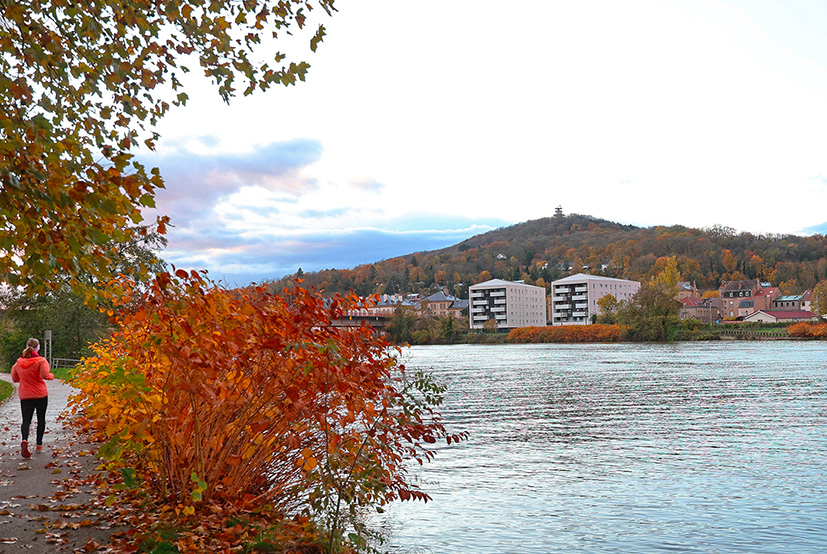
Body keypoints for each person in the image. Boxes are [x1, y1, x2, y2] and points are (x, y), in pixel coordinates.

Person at [11, 338, 55, 458]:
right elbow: (45, 375)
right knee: (41, 419)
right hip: (40, 394)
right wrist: (52, 376)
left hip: (25, 395)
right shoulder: (41, 361)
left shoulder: (18, 362)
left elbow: (15, 379)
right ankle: (39, 444)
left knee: (26, 420)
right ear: (38, 347)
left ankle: (25, 439)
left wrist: (25, 379)